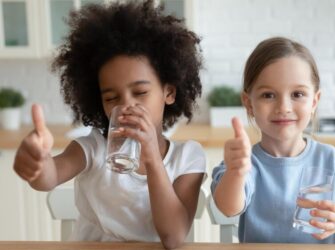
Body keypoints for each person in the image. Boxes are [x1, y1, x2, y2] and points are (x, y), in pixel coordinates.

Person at [13, 1, 205, 248]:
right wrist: (38, 164)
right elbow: (49, 177)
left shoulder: (188, 157)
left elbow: (173, 237)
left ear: (168, 92)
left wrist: (151, 158)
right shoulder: (94, 148)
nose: (125, 106)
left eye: (140, 92)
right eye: (111, 98)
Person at [210, 37, 335, 244]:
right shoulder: (243, 163)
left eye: (297, 94)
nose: (284, 107)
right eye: (268, 95)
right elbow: (228, 207)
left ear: (314, 101)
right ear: (248, 103)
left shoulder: (332, 161)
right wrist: (236, 172)